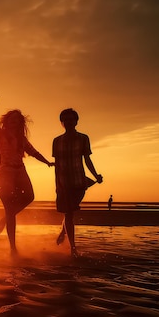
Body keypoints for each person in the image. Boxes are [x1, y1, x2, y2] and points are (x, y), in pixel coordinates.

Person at [0, 95, 54, 254]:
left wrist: (47, 162)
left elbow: (33, 152)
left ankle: (6, 217)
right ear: (7, 122)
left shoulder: (21, 139)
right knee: (9, 206)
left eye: (18, 121)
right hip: (5, 172)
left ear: (20, 124)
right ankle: (13, 248)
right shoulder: (0, 135)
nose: (15, 123)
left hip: (20, 171)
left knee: (29, 196)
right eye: (12, 120)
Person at [53, 108, 103, 257]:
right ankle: (73, 248)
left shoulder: (83, 138)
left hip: (79, 181)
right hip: (64, 182)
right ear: (62, 123)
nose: (68, 122)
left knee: (71, 211)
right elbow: (57, 165)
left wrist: (96, 175)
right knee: (69, 213)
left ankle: (64, 231)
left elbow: (87, 159)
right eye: (65, 120)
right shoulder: (57, 141)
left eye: (71, 119)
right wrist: (57, 184)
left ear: (76, 121)